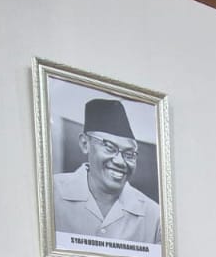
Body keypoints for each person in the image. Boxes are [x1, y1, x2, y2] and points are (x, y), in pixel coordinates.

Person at [52, 98, 161, 244]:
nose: (120, 161)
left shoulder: (154, 216)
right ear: (85, 143)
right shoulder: (51, 193)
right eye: (109, 147)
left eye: (129, 154)